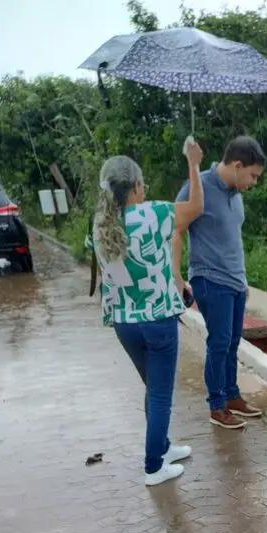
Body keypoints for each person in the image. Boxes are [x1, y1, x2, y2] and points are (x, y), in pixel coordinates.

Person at [93, 141, 204, 486]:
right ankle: (154, 466)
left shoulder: (100, 223)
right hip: (156, 320)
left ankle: (164, 447)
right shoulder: (154, 213)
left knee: (152, 388)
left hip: (124, 323)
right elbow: (197, 206)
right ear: (137, 187)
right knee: (159, 394)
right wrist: (193, 163)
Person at [174, 136, 266, 430]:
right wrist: (176, 276)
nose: (253, 183)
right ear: (237, 165)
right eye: (252, 175)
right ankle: (216, 405)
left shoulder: (235, 193)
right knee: (219, 342)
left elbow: (232, 239)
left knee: (232, 342)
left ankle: (231, 396)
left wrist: (243, 279)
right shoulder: (198, 185)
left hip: (235, 282)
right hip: (210, 279)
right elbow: (176, 230)